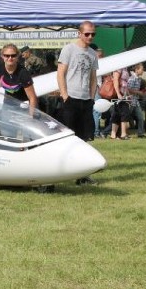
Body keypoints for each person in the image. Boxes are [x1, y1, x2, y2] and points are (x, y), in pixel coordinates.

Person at [57, 21, 99, 185]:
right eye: (87, 33)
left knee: (83, 138)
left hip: (85, 100)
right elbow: (61, 73)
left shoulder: (92, 54)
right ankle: (61, 171)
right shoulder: (69, 49)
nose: (90, 37)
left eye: (93, 34)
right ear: (79, 33)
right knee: (67, 137)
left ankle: (82, 175)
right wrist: (65, 95)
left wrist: (91, 97)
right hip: (70, 99)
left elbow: (93, 77)